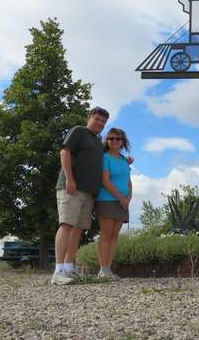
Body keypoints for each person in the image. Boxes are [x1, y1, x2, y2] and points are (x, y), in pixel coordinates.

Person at [52, 106, 109, 285]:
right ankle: (58, 271)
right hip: (71, 188)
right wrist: (69, 178)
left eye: (103, 121)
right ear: (89, 118)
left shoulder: (98, 142)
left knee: (78, 229)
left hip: (88, 192)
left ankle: (69, 269)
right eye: (97, 119)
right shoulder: (79, 131)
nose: (100, 123)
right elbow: (64, 152)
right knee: (66, 225)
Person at [94, 128, 133, 279]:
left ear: (123, 141)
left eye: (117, 138)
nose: (114, 141)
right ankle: (102, 270)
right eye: (111, 138)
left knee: (115, 236)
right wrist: (120, 198)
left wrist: (128, 198)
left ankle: (108, 269)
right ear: (107, 141)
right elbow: (105, 180)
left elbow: (128, 182)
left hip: (123, 203)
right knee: (106, 234)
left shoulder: (124, 160)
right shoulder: (104, 158)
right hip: (107, 200)